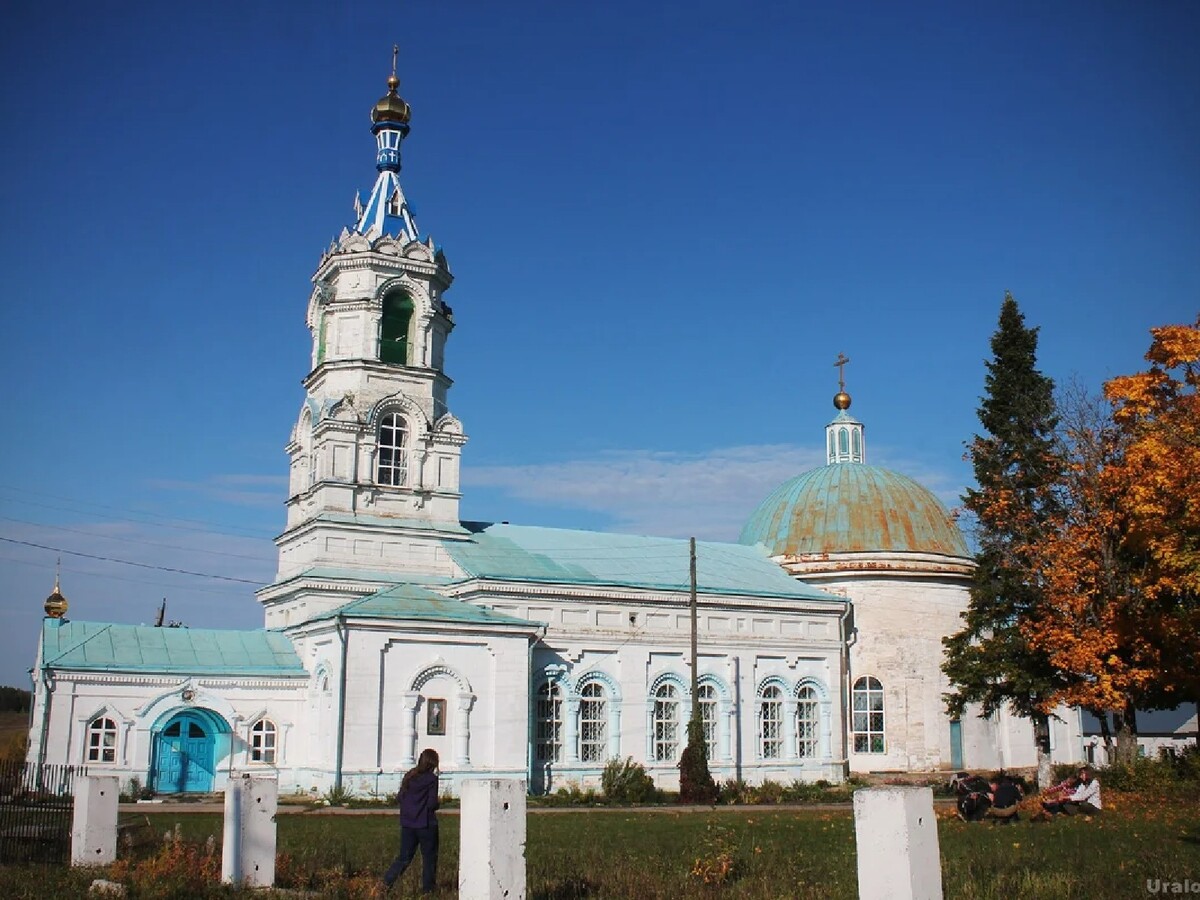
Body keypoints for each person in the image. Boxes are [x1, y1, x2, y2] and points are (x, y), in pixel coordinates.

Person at [383, 748, 440, 894]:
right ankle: (428, 890)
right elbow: (431, 803)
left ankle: (386, 883)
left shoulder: (410, 776)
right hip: (426, 823)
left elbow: (400, 798)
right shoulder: (432, 779)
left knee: (404, 857)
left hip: (408, 823)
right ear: (433, 763)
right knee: (429, 858)